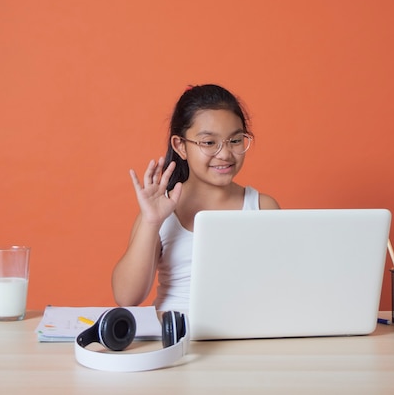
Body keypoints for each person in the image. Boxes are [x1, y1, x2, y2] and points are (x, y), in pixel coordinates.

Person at [111, 84, 280, 312]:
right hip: (176, 338)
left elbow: (280, 286)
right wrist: (151, 221)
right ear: (180, 146)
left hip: (244, 339)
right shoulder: (160, 211)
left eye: (235, 140)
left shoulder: (262, 208)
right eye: (209, 143)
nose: (225, 154)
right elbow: (126, 297)